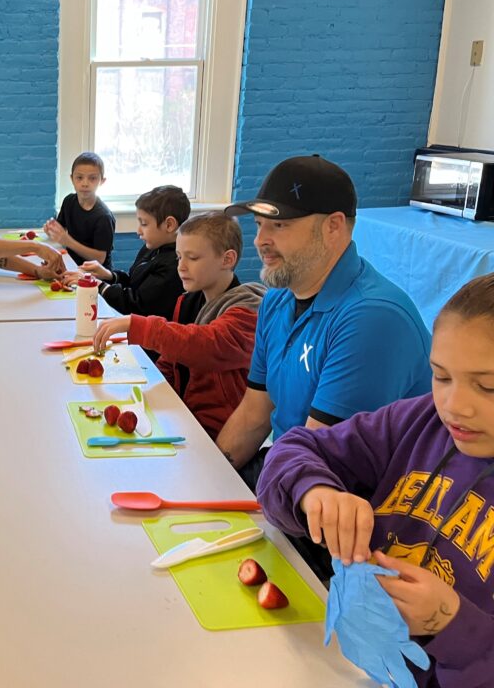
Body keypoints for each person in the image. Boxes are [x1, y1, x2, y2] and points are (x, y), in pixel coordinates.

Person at [257, 273, 494, 687]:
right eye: (441, 376)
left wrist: (453, 627)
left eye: (488, 386)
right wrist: (315, 490)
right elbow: (291, 451)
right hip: (336, 663)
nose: (455, 406)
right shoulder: (420, 421)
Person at [213, 155, 431, 488]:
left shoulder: (372, 318)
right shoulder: (277, 299)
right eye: (258, 225)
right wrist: (210, 485)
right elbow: (254, 416)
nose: (260, 241)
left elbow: (321, 460)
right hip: (291, 475)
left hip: (349, 505)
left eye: (279, 225)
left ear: (333, 227)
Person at [93, 212, 264, 438]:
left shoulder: (247, 312)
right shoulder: (188, 301)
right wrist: (147, 396)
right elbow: (172, 363)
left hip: (218, 434)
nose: (181, 267)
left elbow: (204, 346)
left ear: (227, 259)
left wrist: (137, 324)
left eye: (192, 258)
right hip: (184, 418)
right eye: (179, 257)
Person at [69, 185, 189, 326]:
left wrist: (96, 285)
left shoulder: (174, 265)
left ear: (169, 225)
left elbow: (136, 304)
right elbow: (134, 282)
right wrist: (108, 275)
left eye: (144, 224)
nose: (138, 231)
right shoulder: (152, 247)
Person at [44, 152, 116, 268]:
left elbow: (100, 258)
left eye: (92, 178)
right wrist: (51, 230)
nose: (85, 183)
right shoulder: (68, 201)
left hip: (95, 275)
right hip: (71, 265)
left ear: (102, 181)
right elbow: (60, 228)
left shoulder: (104, 217)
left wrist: (67, 241)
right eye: (79, 177)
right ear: (72, 179)